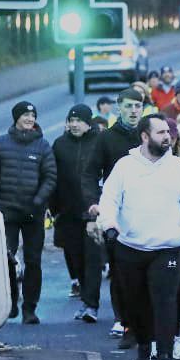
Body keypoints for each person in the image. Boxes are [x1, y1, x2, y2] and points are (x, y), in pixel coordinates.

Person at [96, 114, 180, 360]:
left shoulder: (179, 167)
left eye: (168, 132)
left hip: (168, 247)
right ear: (145, 136)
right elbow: (109, 200)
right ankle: (144, 348)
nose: (168, 137)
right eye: (161, 132)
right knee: (136, 304)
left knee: (166, 302)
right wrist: (109, 224)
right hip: (130, 246)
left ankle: (164, 358)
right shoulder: (124, 166)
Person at [83, 88, 145, 346]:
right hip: (117, 215)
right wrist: (94, 203)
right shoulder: (106, 138)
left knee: (147, 268)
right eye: (128, 106)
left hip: (147, 211)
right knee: (120, 271)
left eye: (137, 106)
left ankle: (145, 323)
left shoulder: (149, 135)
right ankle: (126, 322)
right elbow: (89, 174)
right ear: (119, 107)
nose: (133, 111)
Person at [0, 101, 57, 325]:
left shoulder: (43, 146)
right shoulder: (0, 144)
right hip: (6, 213)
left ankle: (30, 308)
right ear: (16, 117)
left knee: (33, 261)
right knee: (5, 259)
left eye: (32, 115)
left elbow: (50, 177)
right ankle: (11, 301)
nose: (29, 119)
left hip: (33, 213)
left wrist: (38, 201)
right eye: (25, 115)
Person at [49, 105, 99, 317]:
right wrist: (53, 208)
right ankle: (86, 300)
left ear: (89, 123)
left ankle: (91, 304)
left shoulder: (99, 142)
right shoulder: (60, 144)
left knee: (93, 258)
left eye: (79, 120)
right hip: (67, 211)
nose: (75, 124)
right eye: (71, 120)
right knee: (76, 258)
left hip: (93, 211)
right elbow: (52, 176)